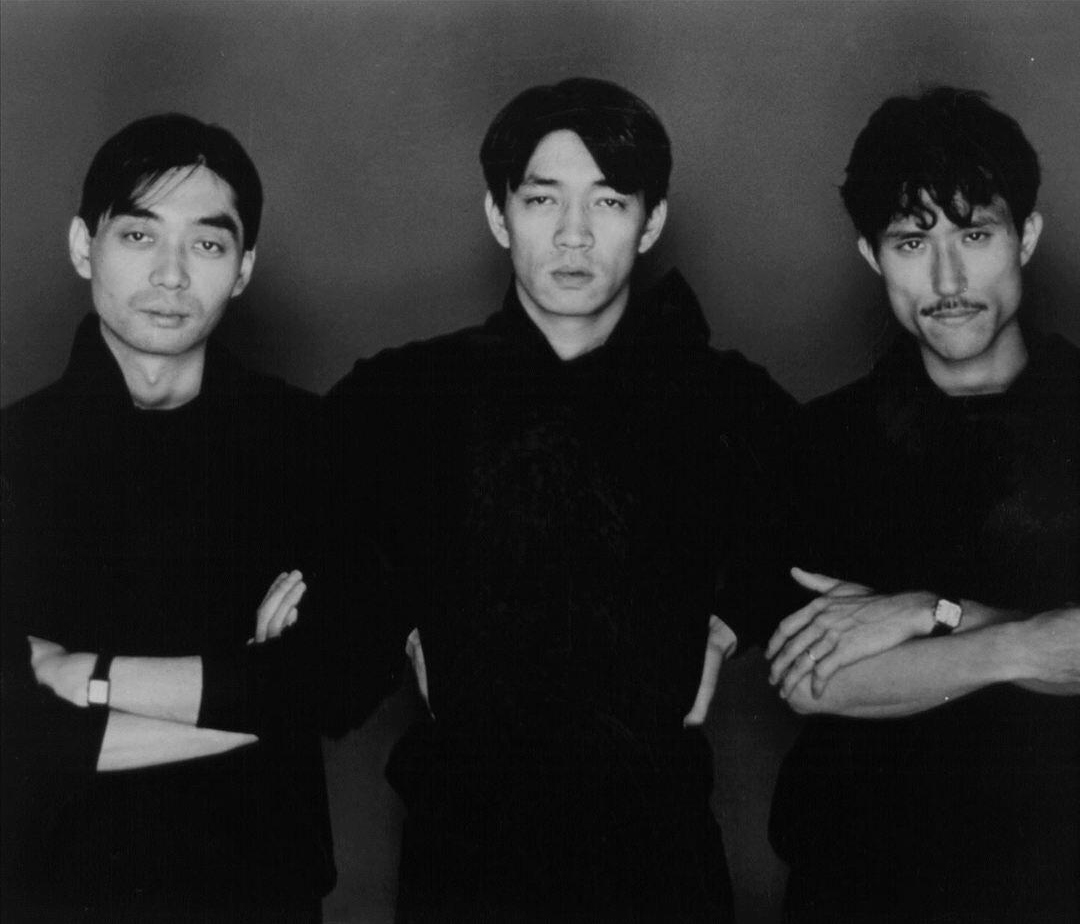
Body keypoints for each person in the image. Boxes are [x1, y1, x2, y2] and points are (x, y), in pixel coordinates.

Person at [322, 76, 799, 921]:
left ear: (651, 221)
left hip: (658, 849)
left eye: (609, 202)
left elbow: (818, 523)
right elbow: (329, 549)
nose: (574, 234)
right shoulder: (405, 394)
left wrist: (727, 628)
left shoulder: (721, 397)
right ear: (498, 214)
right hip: (463, 848)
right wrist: (397, 621)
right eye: (542, 199)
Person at [0, 114, 362, 922]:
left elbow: (340, 678)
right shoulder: (12, 454)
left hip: (263, 893)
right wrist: (259, 700)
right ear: (83, 246)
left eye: (206, 242)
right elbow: (12, 735)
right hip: (58, 893)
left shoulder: (311, 441)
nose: (171, 274)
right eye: (139, 235)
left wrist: (82, 675)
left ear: (243, 267)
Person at [765, 87, 1080, 921]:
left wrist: (922, 614)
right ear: (873, 257)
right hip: (858, 886)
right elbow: (819, 682)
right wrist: (1027, 641)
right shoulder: (823, 440)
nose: (947, 279)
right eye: (912, 241)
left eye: (975, 235)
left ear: (1027, 237)